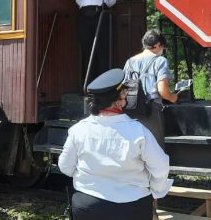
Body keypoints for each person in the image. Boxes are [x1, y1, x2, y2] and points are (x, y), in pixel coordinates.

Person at [58, 69, 170, 219]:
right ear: (120, 100)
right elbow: (160, 167)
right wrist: (156, 192)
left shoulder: (78, 130)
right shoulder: (139, 131)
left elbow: (65, 167)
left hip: (89, 206)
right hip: (133, 207)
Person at [122, 30, 177, 149]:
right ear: (157, 45)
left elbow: (123, 88)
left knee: (134, 149)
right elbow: (163, 91)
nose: (162, 50)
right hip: (150, 110)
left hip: (131, 109)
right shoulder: (160, 61)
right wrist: (173, 97)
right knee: (154, 149)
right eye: (162, 47)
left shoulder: (129, 62)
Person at [74, 0, 118, 83]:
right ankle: (89, 83)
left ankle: (103, 83)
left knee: (102, 48)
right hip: (85, 14)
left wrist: (102, 6)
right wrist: (86, 7)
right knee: (87, 48)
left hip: (101, 13)